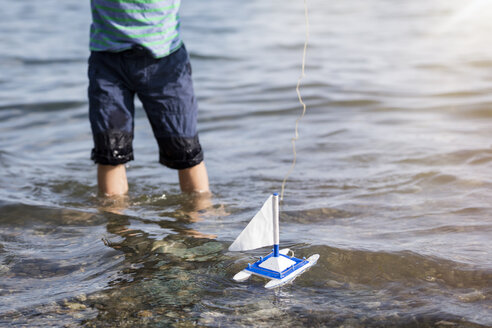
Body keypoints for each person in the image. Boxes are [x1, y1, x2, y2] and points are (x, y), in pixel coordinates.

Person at [88, 0, 209, 196]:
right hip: (108, 63)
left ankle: (199, 216)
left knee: (186, 150)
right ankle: (115, 222)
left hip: (166, 63)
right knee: (110, 150)